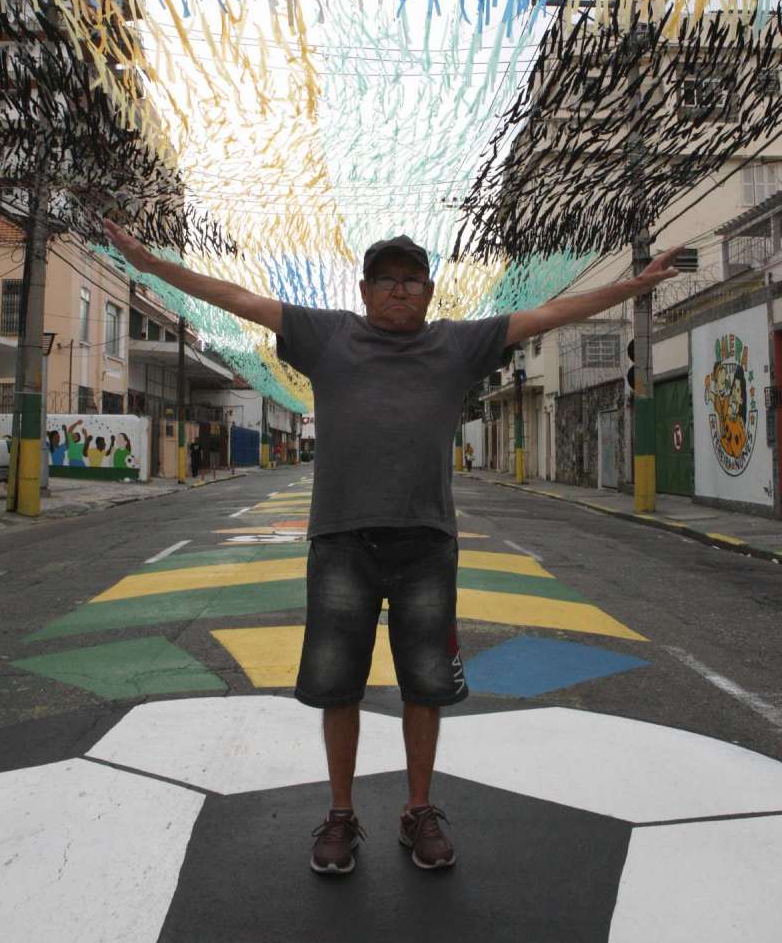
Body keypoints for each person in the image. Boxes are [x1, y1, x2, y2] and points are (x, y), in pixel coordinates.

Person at [102, 219, 679, 876]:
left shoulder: (457, 344)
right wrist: (151, 263)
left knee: (425, 688)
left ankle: (418, 810)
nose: (400, 290)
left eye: (412, 280)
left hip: (426, 545)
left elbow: (550, 313)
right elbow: (238, 298)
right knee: (338, 688)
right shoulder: (328, 336)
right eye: (386, 281)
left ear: (429, 291)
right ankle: (340, 814)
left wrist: (633, 286)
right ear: (365, 290)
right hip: (341, 543)